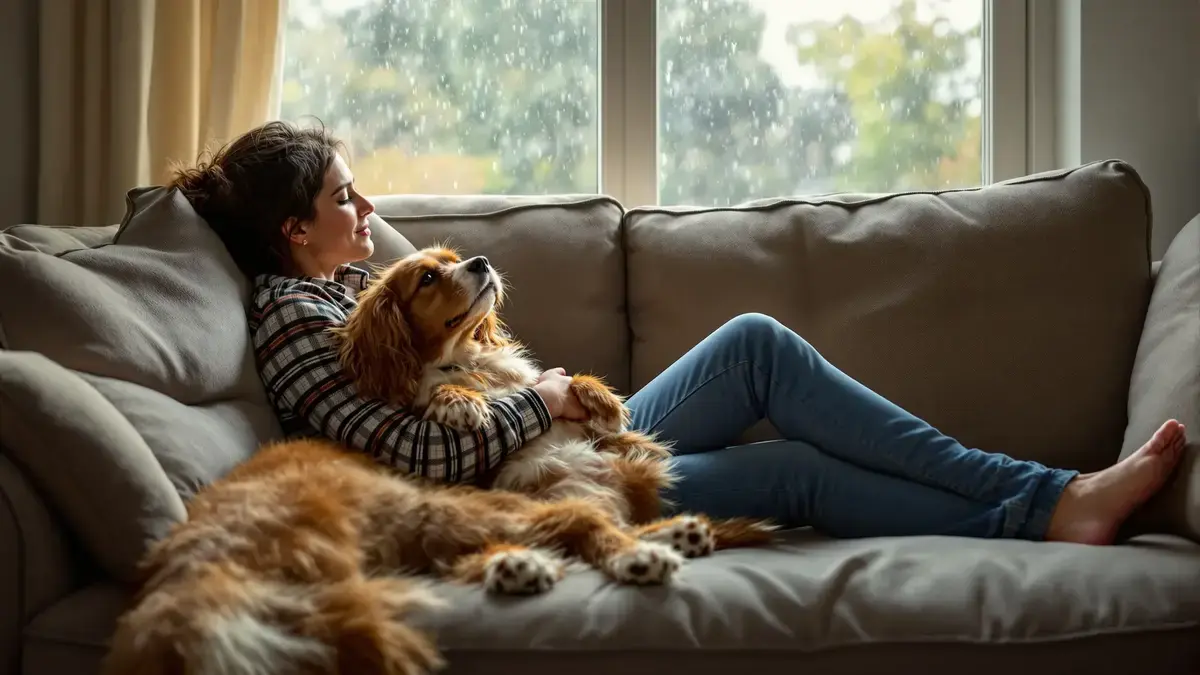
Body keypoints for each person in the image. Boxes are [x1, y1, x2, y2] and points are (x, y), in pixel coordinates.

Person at [173, 120, 1186, 546]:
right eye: (345, 200)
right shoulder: (294, 315)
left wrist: (546, 400)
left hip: (555, 446)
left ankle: (1046, 501)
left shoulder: (348, 273)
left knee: (770, 394)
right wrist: (543, 397)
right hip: (522, 489)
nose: (368, 211)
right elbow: (412, 451)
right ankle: (1051, 506)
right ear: (290, 230)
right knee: (777, 424)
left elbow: (454, 322)